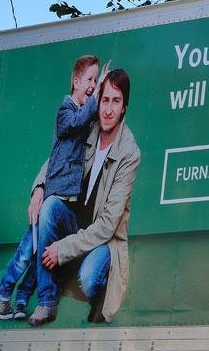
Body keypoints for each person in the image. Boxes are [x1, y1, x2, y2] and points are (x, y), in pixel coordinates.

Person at [28, 68, 140, 326]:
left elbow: (107, 225)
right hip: (74, 227)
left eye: (116, 101)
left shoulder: (129, 152)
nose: (108, 109)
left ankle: (99, 294)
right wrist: (39, 187)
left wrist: (62, 249)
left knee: (89, 278)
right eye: (104, 100)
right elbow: (58, 158)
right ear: (98, 101)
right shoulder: (88, 126)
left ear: (124, 107)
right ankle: (47, 300)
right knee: (50, 207)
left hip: (103, 241)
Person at [0, 55, 105, 321]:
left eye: (96, 80)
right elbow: (58, 153)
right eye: (90, 80)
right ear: (75, 81)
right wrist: (40, 186)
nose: (93, 86)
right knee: (27, 252)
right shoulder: (66, 110)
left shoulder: (88, 119)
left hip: (65, 208)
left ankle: (22, 298)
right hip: (56, 196)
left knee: (40, 250)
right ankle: (5, 292)